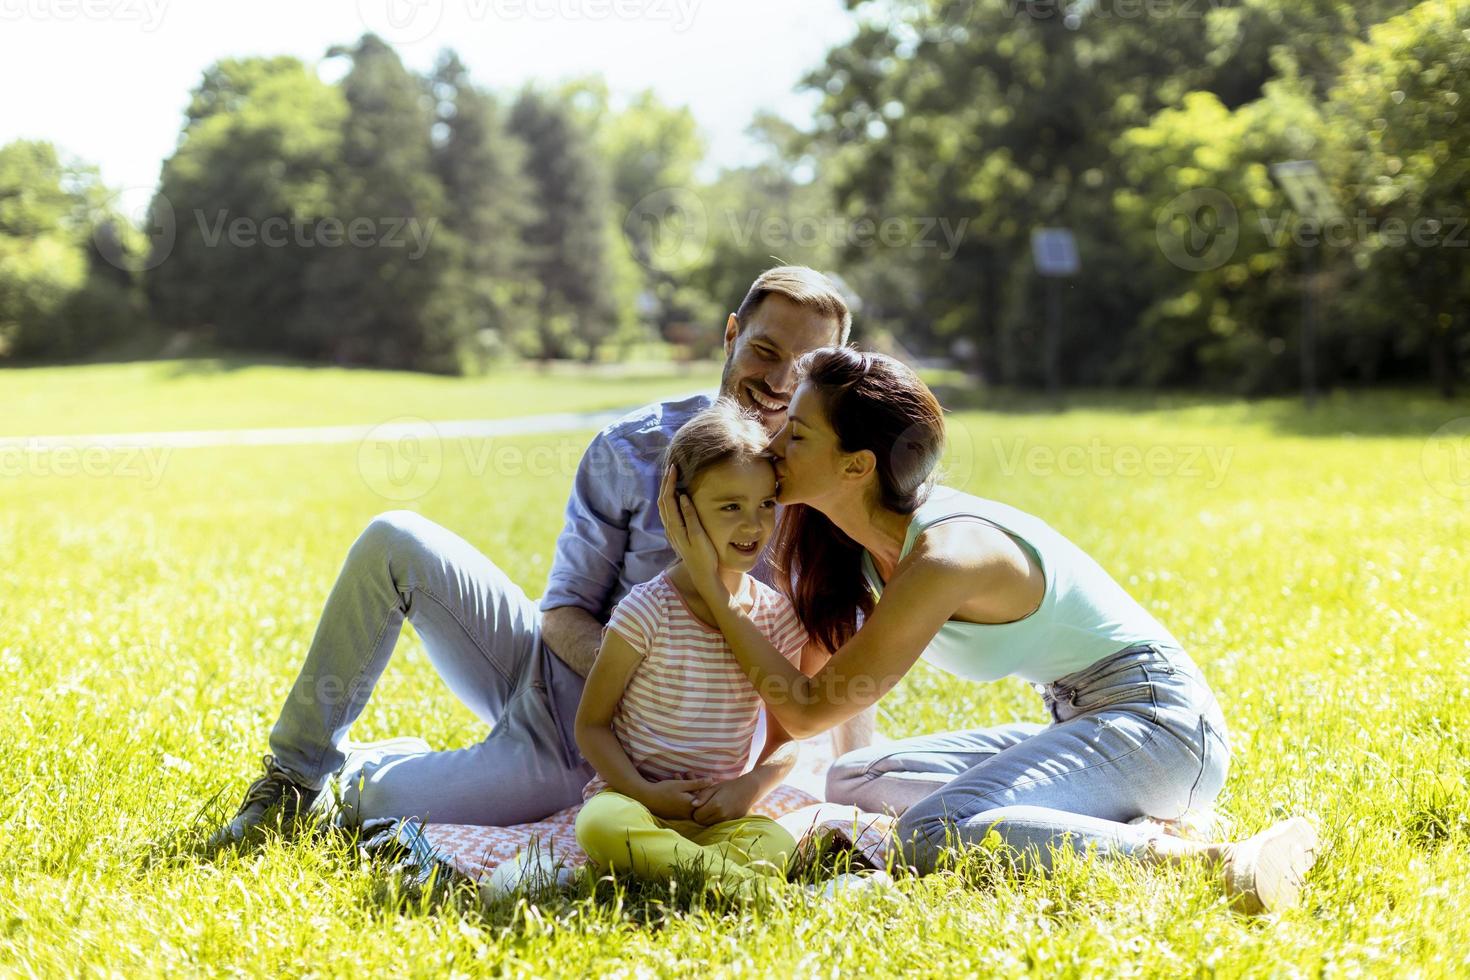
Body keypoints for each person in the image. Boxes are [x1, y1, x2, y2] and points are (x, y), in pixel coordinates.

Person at [208, 267, 872, 847]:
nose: (780, 380)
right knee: (395, 537)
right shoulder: (630, 448)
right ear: (730, 335)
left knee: (373, 805)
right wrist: (632, 668)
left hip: (598, 751)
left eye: (806, 367)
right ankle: (293, 778)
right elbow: (561, 614)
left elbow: (827, 676)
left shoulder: (821, 494)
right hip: (563, 682)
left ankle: (386, 767)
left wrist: (847, 787)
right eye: (764, 350)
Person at [657, 346, 1320, 915]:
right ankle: (1096, 819)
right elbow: (817, 693)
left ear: (857, 465)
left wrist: (714, 593)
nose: (773, 448)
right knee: (852, 777)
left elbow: (805, 711)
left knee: (929, 836)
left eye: (796, 436)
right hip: (1084, 723)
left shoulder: (947, 554)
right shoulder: (860, 543)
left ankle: (1208, 860)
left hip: (1160, 728)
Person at [574, 400, 807, 896]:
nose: (753, 525)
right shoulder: (648, 610)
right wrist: (643, 793)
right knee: (600, 826)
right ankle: (738, 887)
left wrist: (751, 786)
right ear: (680, 509)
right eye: (730, 506)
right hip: (633, 804)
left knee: (776, 841)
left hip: (716, 818)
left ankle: (686, 870)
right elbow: (591, 725)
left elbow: (787, 738)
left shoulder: (775, 616)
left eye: (766, 504)